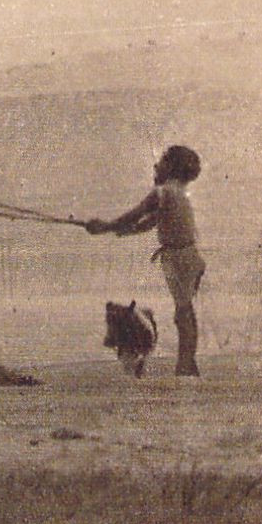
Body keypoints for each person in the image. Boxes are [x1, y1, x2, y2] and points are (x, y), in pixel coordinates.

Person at [86, 145, 205, 376]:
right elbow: (150, 223)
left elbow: (137, 214)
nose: (155, 166)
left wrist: (106, 226)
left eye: (160, 161)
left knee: (183, 313)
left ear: (171, 167)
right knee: (184, 312)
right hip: (188, 257)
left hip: (178, 258)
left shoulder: (162, 192)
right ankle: (187, 363)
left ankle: (186, 366)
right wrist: (123, 231)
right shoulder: (177, 192)